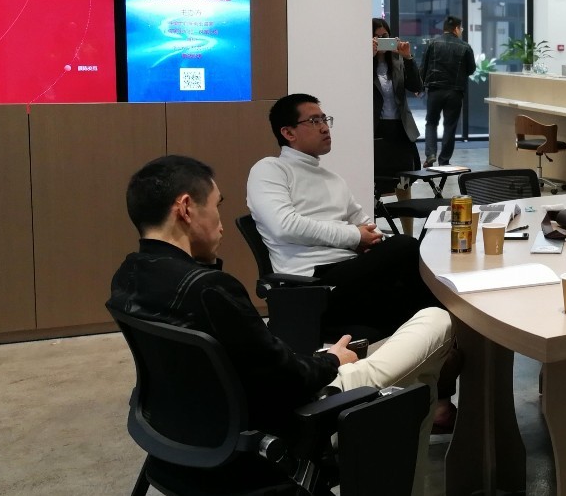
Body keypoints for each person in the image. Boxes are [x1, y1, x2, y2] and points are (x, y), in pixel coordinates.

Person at [108, 155, 453, 490]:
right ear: (185, 209)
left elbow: (258, 360)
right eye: (216, 207)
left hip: (187, 433)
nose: (221, 224)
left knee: (419, 384)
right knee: (436, 322)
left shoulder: (128, 275)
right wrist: (332, 361)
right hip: (285, 422)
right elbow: (290, 380)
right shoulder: (209, 290)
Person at [246, 93, 458, 427]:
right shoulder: (270, 170)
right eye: (314, 121)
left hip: (350, 276)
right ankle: (441, 387)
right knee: (407, 249)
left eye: (325, 119)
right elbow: (284, 225)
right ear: (288, 132)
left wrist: (371, 240)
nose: (324, 127)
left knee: (421, 294)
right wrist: (354, 237)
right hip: (313, 282)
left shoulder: (332, 179)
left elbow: (364, 225)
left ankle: (429, 394)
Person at [420, 15, 476, 167]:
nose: (461, 31)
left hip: (435, 90)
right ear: (456, 29)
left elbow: (424, 67)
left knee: (431, 122)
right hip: (455, 92)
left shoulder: (432, 43)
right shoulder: (465, 47)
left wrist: (420, 87)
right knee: (450, 126)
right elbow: (471, 69)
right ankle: (444, 160)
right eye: (461, 28)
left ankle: (430, 154)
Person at [372, 18, 422, 173]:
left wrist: (408, 58)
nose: (381, 41)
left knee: (406, 175)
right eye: (377, 37)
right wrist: (369, 57)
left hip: (401, 128)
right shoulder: (362, 63)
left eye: (385, 36)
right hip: (376, 128)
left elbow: (416, 86)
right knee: (379, 177)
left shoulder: (397, 60)